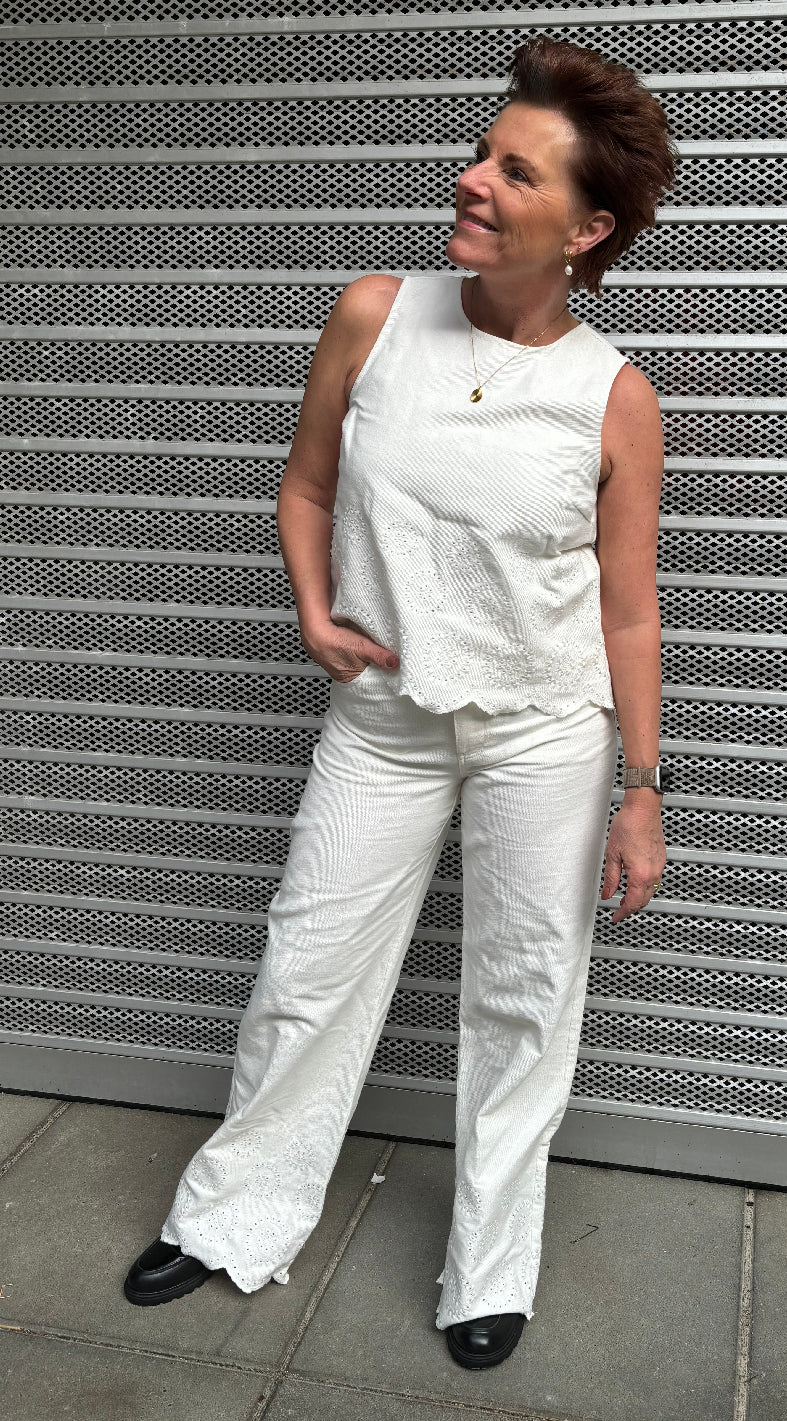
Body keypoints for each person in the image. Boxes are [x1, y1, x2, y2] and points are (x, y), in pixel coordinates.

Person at [124, 35, 675, 1370]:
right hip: (385, 720)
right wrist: (315, 609)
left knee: (524, 1000)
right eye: (483, 152)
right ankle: (234, 1215)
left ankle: (490, 1265)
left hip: (545, 731)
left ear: (587, 229)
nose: (474, 178)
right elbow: (308, 483)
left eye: (517, 171)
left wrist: (643, 788)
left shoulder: (613, 397)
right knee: (306, 968)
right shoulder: (375, 314)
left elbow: (627, 610)